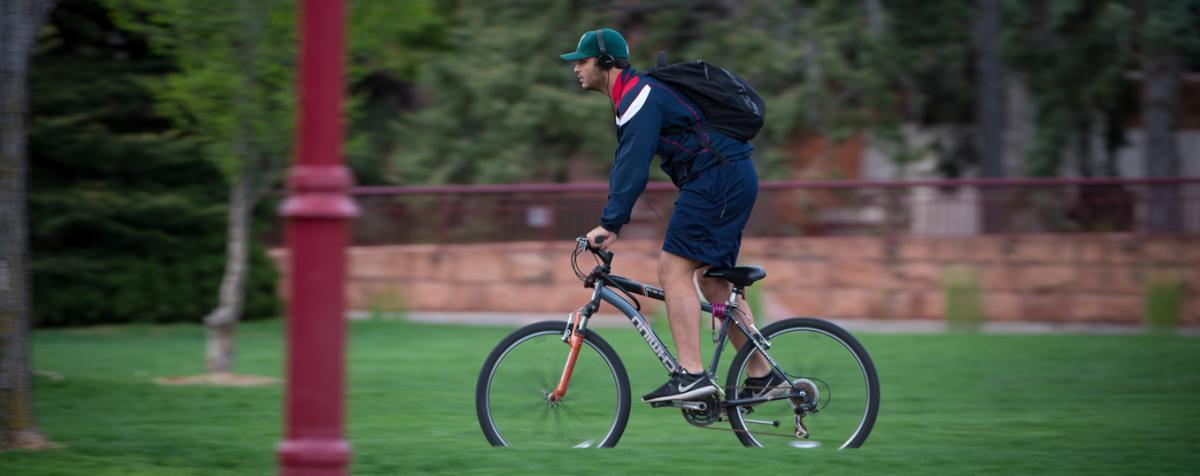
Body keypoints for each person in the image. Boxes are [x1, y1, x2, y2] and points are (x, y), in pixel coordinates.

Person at [561, 28, 776, 403]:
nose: (576, 68)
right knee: (713, 282)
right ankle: (762, 375)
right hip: (726, 178)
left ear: (606, 62)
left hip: (717, 179)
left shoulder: (637, 95)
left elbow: (633, 165)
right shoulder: (633, 96)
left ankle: (692, 376)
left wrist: (610, 224)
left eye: (582, 60)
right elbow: (625, 161)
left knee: (673, 268)